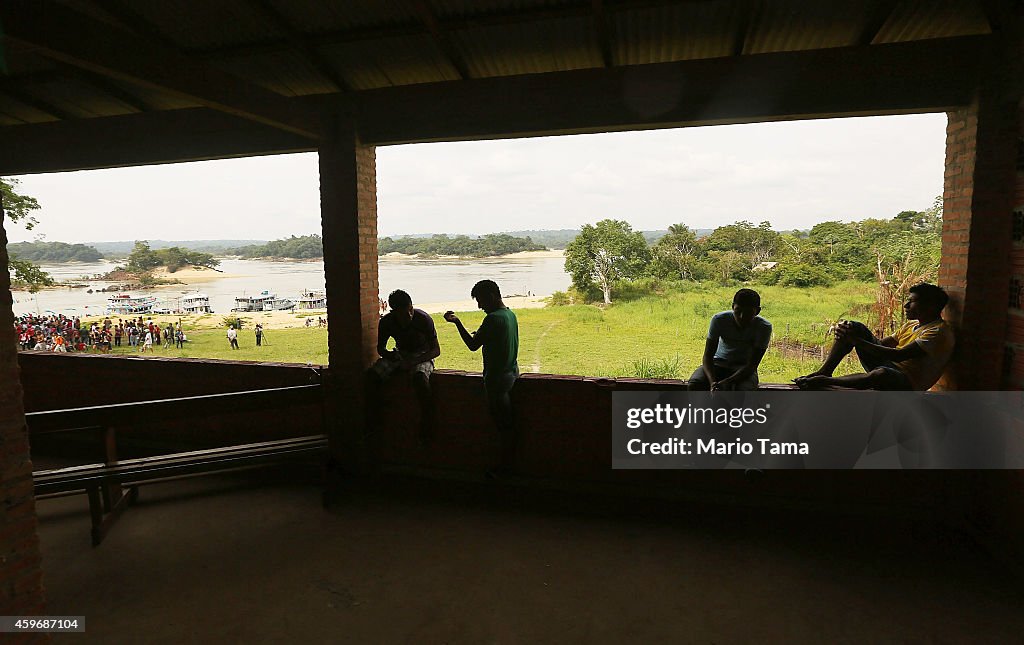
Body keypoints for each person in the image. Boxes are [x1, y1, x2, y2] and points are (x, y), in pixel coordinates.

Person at [795, 283, 954, 391]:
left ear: (931, 306)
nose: (906, 306)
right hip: (889, 366)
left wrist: (855, 340)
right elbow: (881, 345)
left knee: (882, 374)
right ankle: (825, 371)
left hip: (907, 383)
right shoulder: (912, 325)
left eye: (912, 302)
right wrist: (849, 333)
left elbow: (899, 355)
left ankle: (825, 381)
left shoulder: (937, 332)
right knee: (854, 326)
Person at [444, 280, 519, 477]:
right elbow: (497, 339)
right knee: (507, 425)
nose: (479, 306)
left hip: (496, 381)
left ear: (491, 297)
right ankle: (507, 467)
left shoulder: (493, 319)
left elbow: (472, 345)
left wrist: (457, 322)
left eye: (480, 300)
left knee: (502, 427)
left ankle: (504, 469)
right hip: (511, 375)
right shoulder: (510, 315)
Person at [368, 290, 441, 442]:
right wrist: (393, 356)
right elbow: (380, 349)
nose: (409, 315)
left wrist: (413, 361)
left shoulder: (423, 319)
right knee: (371, 377)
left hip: (422, 355)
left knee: (420, 379)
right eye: (403, 313)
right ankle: (374, 419)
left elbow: (435, 350)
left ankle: (428, 423)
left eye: (410, 310)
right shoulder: (387, 322)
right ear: (394, 312)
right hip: (400, 354)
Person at [689, 288, 772, 391]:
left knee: (744, 391)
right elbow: (707, 357)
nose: (742, 317)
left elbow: (752, 365)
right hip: (718, 363)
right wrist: (713, 383)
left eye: (748, 313)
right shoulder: (719, 320)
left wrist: (728, 381)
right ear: (733, 307)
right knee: (695, 383)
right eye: (738, 311)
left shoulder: (763, 327)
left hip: (743, 367)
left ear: (757, 311)